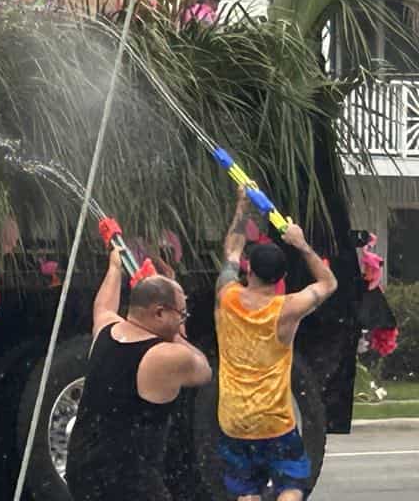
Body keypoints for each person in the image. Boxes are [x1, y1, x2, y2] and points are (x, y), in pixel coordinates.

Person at [215, 188, 338, 501]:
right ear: (282, 276)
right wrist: (300, 244)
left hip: (234, 419)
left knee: (246, 490)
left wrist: (242, 207)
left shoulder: (227, 297)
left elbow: (231, 251)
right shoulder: (286, 309)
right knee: (291, 483)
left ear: (249, 270)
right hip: (274, 421)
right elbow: (328, 284)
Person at [66, 247, 212, 501]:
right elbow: (203, 369)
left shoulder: (105, 329)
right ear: (159, 313)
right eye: (181, 314)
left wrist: (114, 267)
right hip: (129, 482)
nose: (182, 320)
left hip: (82, 472)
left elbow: (102, 305)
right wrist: (176, 331)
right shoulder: (164, 356)